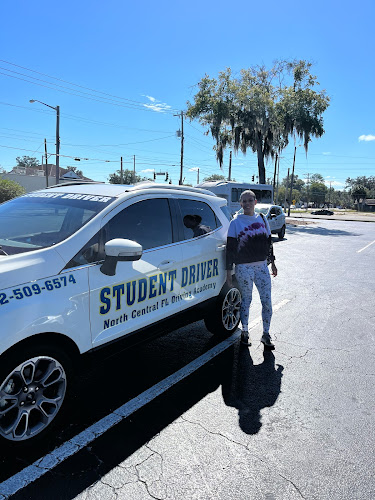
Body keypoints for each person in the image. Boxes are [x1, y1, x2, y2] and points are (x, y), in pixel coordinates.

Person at [226, 190, 277, 348]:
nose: (247, 204)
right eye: (244, 201)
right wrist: (229, 271)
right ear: (240, 204)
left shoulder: (262, 218)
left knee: (267, 302)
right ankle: (245, 332)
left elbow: (269, 242)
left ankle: (266, 334)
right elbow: (230, 249)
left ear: (255, 202)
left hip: (262, 266)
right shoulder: (235, 223)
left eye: (250, 200)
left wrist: (273, 263)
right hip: (244, 268)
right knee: (246, 300)